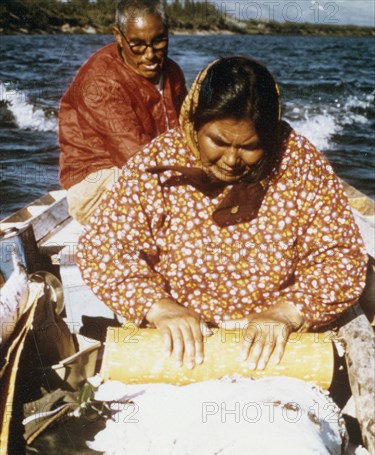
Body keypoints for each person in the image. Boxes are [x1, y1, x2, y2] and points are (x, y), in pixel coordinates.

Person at [76, 56, 368, 370]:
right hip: (177, 345)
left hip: (278, 347)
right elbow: (102, 249)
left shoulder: (297, 161)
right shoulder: (158, 161)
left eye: (250, 146)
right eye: (218, 141)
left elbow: (342, 258)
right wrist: (159, 308)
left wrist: (287, 312)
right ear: (193, 122)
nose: (231, 160)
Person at [58, 0, 187, 225]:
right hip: (97, 183)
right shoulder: (99, 82)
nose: (150, 55)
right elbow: (136, 159)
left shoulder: (172, 71)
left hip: (154, 170)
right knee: (171, 203)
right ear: (118, 36)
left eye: (159, 42)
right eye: (137, 44)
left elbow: (188, 130)